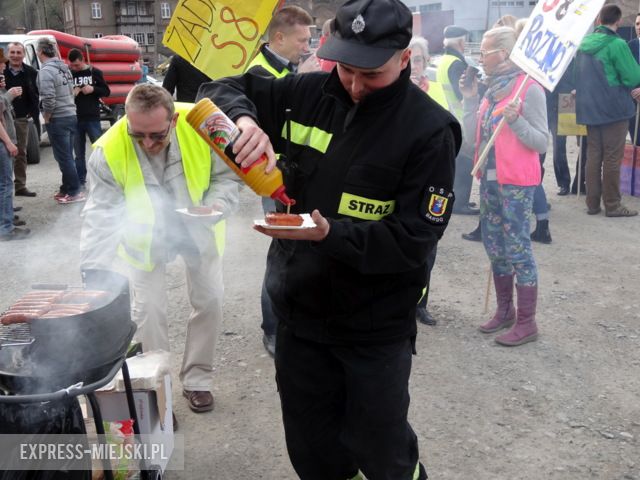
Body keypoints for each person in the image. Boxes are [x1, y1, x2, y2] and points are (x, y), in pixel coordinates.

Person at [199, 0, 460, 476]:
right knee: (312, 449)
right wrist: (246, 119)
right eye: (345, 70)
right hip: (300, 317)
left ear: (404, 58)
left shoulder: (429, 130)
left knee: (382, 452)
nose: (356, 86)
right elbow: (217, 88)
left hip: (374, 328)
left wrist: (331, 235)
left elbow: (415, 238)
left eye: (371, 74)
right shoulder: (306, 92)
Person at [80, 84, 240, 413]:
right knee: (149, 313)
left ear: (175, 120)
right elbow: (100, 213)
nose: (148, 144)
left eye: (156, 135)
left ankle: (197, 381)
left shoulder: (204, 124)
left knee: (210, 300)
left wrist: (216, 206)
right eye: (138, 135)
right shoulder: (108, 150)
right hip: (143, 239)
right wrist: (93, 270)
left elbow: (229, 177)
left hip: (199, 228)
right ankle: (159, 392)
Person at [460, 26, 547, 346]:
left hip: (517, 185)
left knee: (518, 249)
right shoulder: (490, 89)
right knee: (494, 246)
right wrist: (470, 101)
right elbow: (472, 142)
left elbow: (541, 142)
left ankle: (528, 322)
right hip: (490, 182)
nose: (480, 58)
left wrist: (516, 121)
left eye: (484, 52)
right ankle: (505, 310)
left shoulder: (529, 89)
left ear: (505, 54)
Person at [244, 4, 313, 357]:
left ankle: (290, 319)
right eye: (302, 40)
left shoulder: (288, 67)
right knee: (282, 253)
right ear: (279, 37)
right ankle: (272, 328)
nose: (307, 46)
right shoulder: (260, 73)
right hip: (275, 179)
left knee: (300, 250)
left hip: (298, 175)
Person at [575, 4, 640, 217]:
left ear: (598, 20)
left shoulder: (584, 44)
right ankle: (612, 205)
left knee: (593, 156)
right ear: (618, 21)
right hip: (614, 109)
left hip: (590, 109)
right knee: (612, 157)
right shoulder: (617, 44)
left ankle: (592, 204)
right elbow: (633, 77)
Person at [36, 37, 84, 205]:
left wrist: (47, 117)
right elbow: (70, 91)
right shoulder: (64, 68)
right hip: (71, 115)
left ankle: (75, 191)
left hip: (58, 117)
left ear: (40, 52)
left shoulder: (46, 71)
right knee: (67, 156)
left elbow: (48, 97)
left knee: (64, 158)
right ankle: (66, 188)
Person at [437, 25, 478, 216]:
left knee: (457, 162)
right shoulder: (456, 63)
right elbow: (460, 91)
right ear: (462, 42)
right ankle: (460, 201)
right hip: (461, 117)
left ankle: (458, 200)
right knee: (464, 163)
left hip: (449, 115)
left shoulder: (444, 60)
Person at [68, 48, 110, 188]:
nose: (75, 68)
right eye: (72, 65)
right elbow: (63, 94)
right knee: (79, 154)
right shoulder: (69, 74)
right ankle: (81, 181)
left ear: (82, 60)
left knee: (99, 150)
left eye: (77, 65)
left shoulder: (94, 72)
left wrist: (93, 89)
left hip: (92, 117)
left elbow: (106, 91)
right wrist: (71, 94)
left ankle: (103, 179)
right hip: (75, 118)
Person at [3, 42, 39, 198]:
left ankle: (20, 186)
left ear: (24, 54)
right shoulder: (2, 71)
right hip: (2, 119)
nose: (15, 55)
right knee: (4, 155)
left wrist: (32, 111)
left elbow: (36, 93)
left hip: (21, 118)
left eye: (19, 52)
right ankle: (5, 192)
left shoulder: (31, 72)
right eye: (12, 52)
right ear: (7, 53)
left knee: (21, 153)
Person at [0, 74, 29, 241]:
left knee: (3, 184)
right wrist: (9, 143)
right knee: (5, 185)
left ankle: (6, 220)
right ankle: (5, 228)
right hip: (2, 143)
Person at [628, 12, 640, 146]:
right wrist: (633, 91)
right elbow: (623, 72)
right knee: (636, 142)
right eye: (637, 24)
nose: (639, 27)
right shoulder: (629, 46)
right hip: (633, 101)